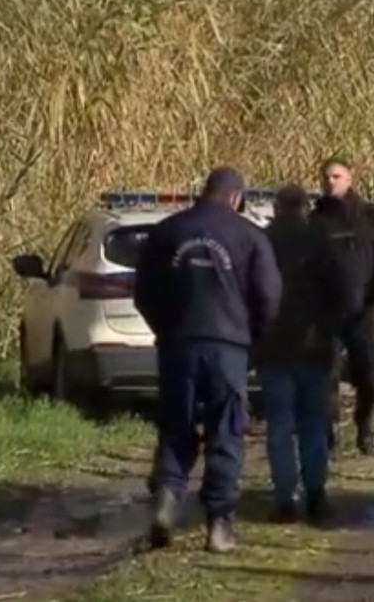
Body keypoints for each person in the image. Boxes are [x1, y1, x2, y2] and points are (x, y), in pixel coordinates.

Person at [134, 167, 282, 554]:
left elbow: (144, 293)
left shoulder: (167, 231)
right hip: (228, 347)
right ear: (236, 198)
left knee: (175, 426)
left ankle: (166, 503)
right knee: (226, 432)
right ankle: (218, 524)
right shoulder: (251, 236)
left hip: (178, 346)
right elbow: (269, 297)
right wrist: (252, 339)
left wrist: (166, 328)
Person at [309, 156, 374, 455]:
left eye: (336, 176)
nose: (330, 182)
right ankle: (331, 433)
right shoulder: (316, 219)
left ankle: (365, 427)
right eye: (326, 177)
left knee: (370, 376)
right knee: (327, 377)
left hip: (363, 309)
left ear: (350, 178)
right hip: (326, 311)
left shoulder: (371, 216)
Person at [255, 184, 335, 524]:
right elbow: (341, 290)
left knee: (280, 425)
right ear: (305, 207)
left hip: (273, 345)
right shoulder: (321, 240)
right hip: (314, 344)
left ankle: (285, 497)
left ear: (276, 208)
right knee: (313, 423)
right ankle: (316, 492)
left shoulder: (262, 241)